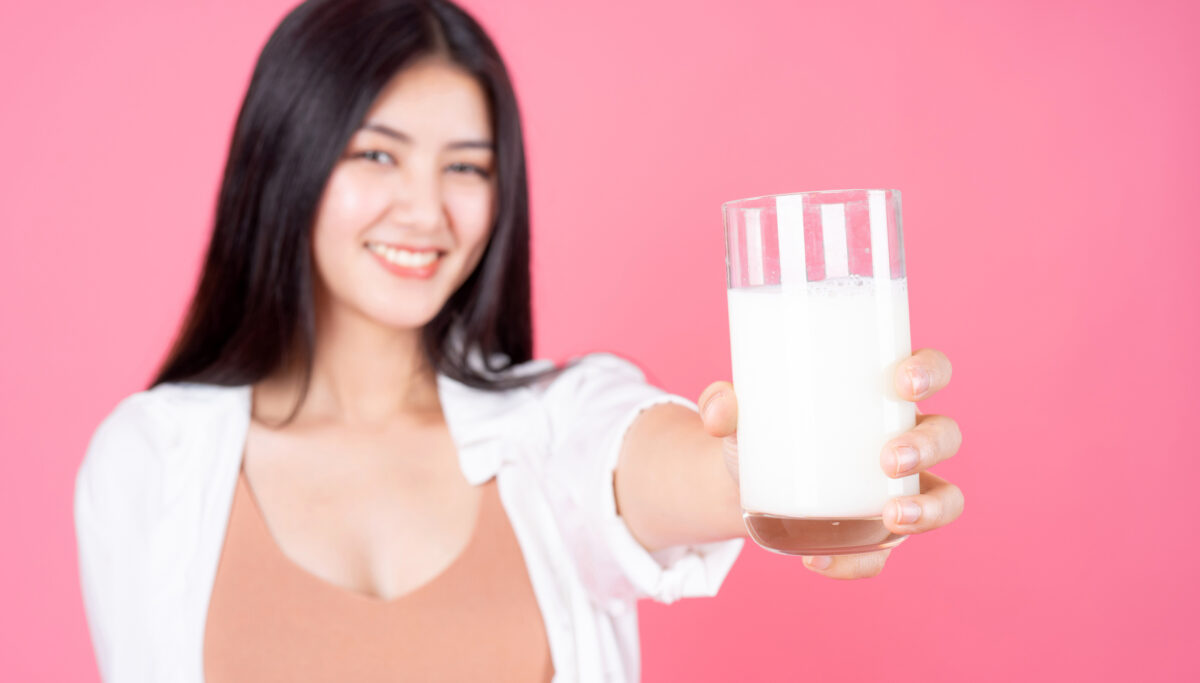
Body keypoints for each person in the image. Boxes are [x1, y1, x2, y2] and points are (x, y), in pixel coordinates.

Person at [73, 0, 965, 681]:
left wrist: (777, 468)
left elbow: (645, 463)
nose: (426, 211)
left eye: (466, 166)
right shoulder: (151, 460)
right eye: (376, 155)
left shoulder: (550, 424)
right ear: (285, 160)